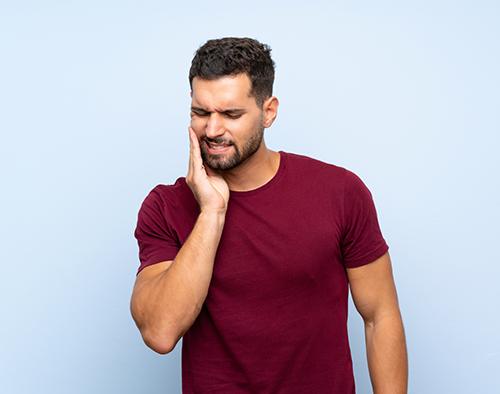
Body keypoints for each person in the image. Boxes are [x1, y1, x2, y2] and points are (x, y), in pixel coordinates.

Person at [130, 37, 408, 394]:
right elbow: (160, 331)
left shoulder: (340, 192)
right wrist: (212, 212)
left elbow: (379, 316)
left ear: (269, 111)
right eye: (201, 113)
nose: (212, 130)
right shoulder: (164, 207)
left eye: (231, 114)